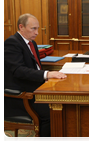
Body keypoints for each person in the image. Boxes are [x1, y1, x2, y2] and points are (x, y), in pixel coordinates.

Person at [4, 13, 67, 141]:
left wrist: (49, 74)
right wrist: (47, 74)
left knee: (62, 102)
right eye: (33, 28)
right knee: (53, 112)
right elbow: (18, 71)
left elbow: (34, 68)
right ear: (21, 27)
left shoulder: (31, 43)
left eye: (37, 28)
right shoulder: (12, 43)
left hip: (35, 88)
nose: (37, 32)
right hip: (21, 95)